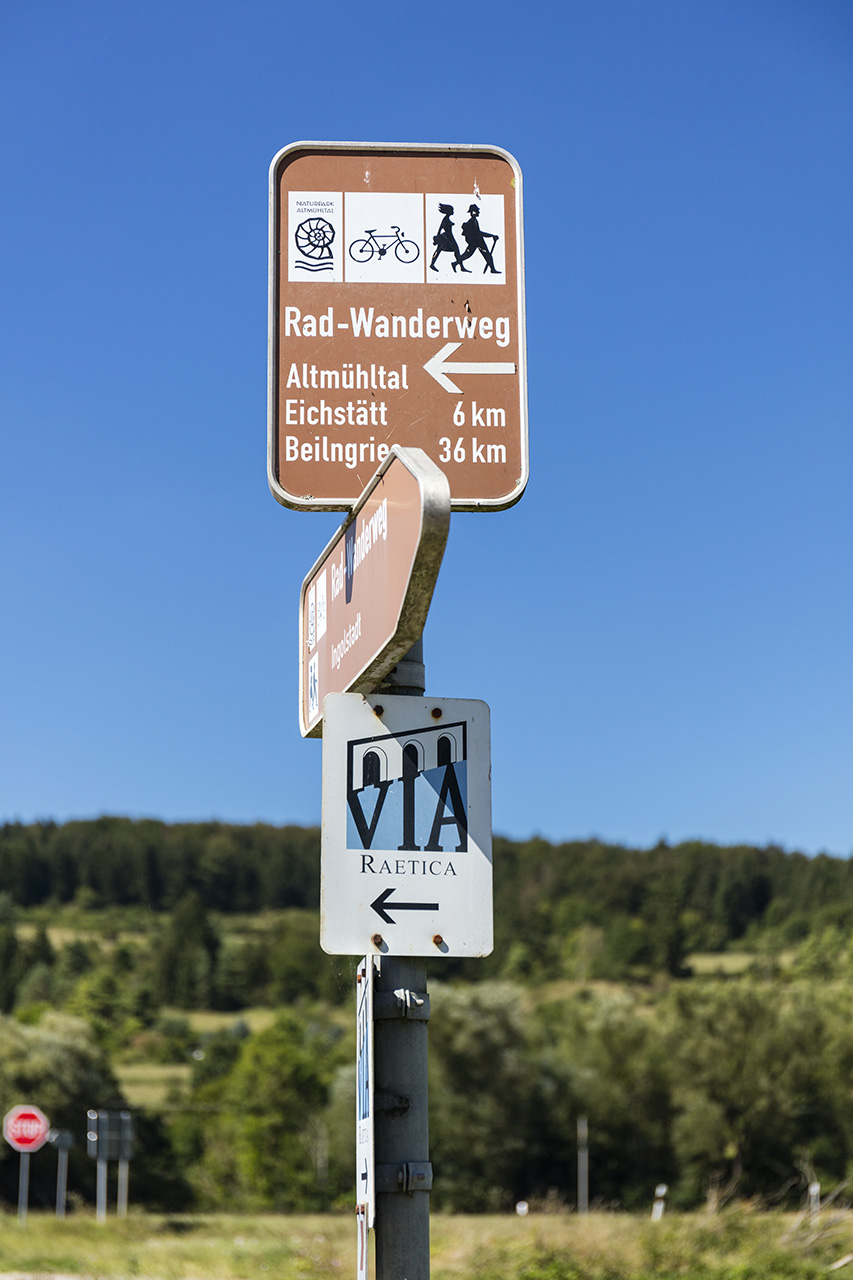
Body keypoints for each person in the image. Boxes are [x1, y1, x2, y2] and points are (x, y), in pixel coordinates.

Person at [459, 204, 500, 274]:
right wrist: (491, 236)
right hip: (476, 242)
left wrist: (491, 236)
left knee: (487, 255)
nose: (479, 212)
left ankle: (492, 269)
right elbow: (479, 233)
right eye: (477, 211)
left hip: (478, 241)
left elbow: (479, 233)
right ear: (473, 212)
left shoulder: (474, 221)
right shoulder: (472, 221)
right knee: (467, 255)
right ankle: (455, 263)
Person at [430, 204, 469, 273]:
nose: (453, 212)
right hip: (447, 238)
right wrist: (437, 239)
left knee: (443, 250)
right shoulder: (445, 219)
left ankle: (461, 266)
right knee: (442, 250)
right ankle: (432, 264)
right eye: (452, 210)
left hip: (448, 237)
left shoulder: (446, 219)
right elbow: (440, 228)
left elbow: (441, 228)